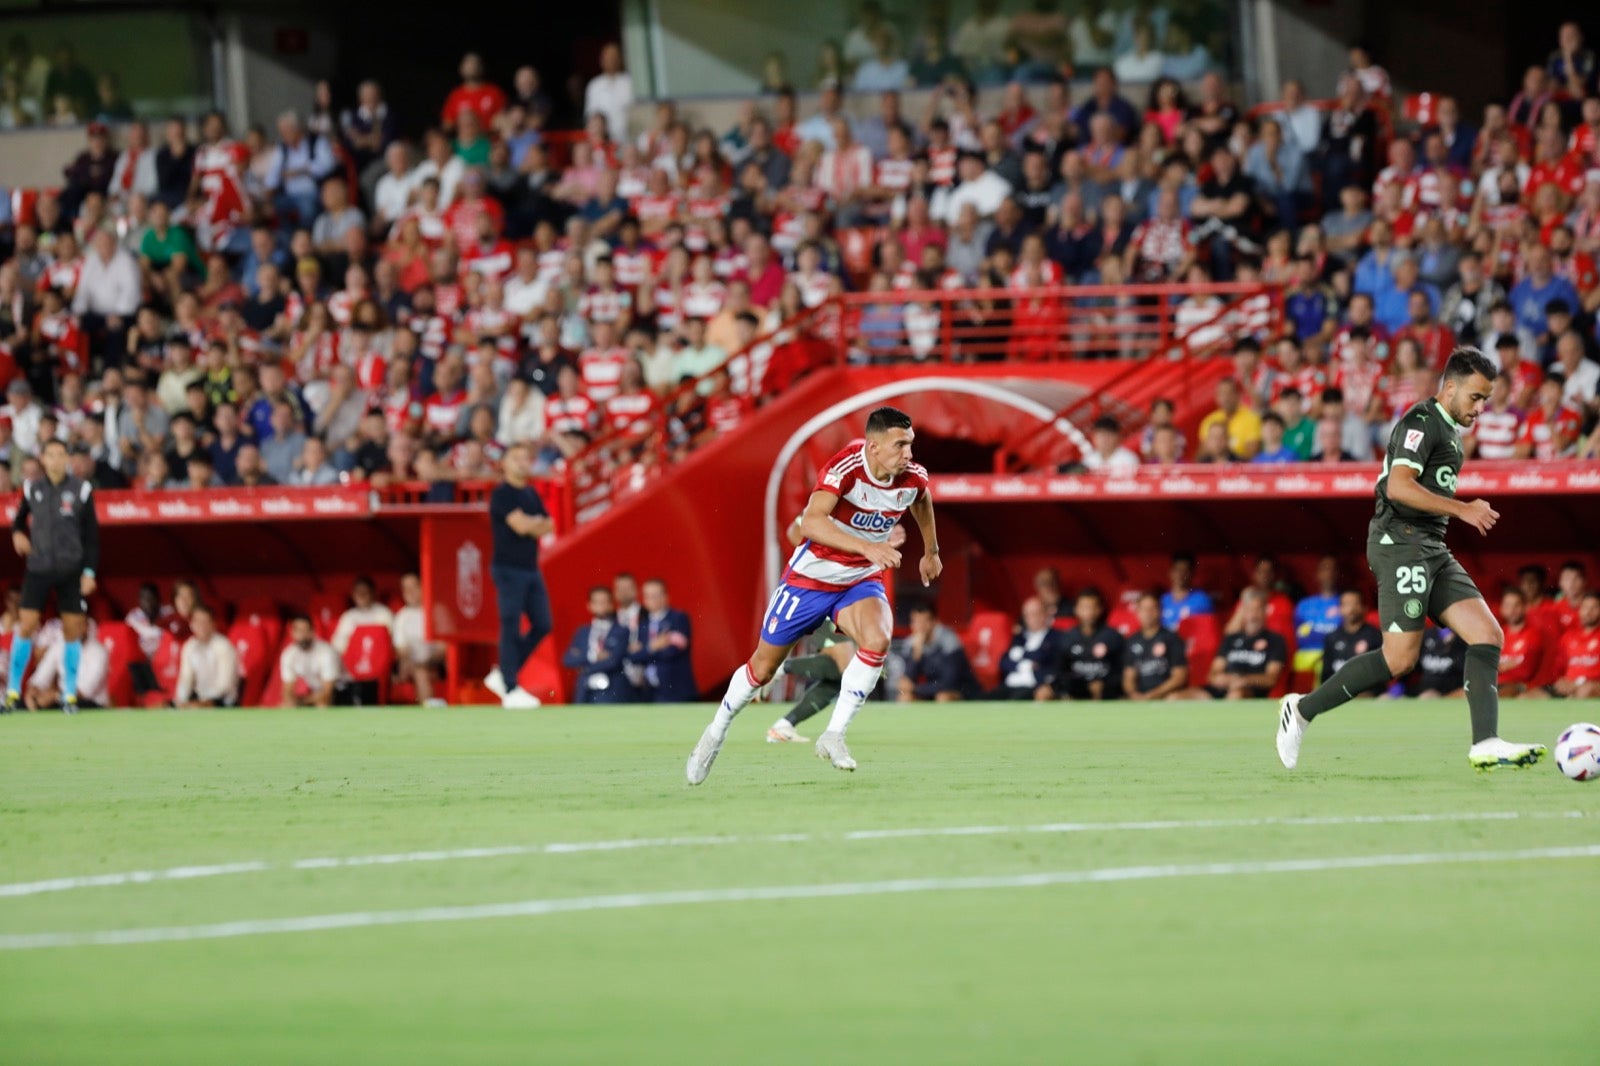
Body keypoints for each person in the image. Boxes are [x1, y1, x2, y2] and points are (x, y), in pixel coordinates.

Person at [1277, 348, 1546, 771]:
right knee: (1400, 659)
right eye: (1476, 397)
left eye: (1485, 399)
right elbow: (1399, 486)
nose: (1480, 408)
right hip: (1399, 543)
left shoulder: (1451, 431)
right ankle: (1301, 709)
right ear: (1450, 387)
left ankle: (1486, 743)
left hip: (1431, 547)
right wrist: (1463, 509)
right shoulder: (1421, 421)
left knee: (1487, 634)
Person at [687, 406, 940, 782]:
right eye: (900, 445)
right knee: (762, 669)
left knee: (877, 640)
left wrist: (931, 551)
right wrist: (867, 546)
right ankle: (715, 733)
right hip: (810, 579)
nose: (908, 453)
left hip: (858, 580)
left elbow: (921, 499)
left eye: (910, 444)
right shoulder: (846, 468)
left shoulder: (913, 477)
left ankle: (834, 735)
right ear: (873, 446)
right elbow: (810, 523)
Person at [6, 439, 98, 713]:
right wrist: (17, 534)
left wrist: (89, 572)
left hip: (71, 570)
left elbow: (92, 537)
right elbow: (18, 521)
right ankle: (12, 691)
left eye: (61, 454)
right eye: (51, 454)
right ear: (43, 459)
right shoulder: (32, 489)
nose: (56, 459)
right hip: (38, 568)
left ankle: (69, 695)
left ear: (67, 459)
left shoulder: (81, 490)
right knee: (26, 624)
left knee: (72, 629)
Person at [483, 442, 554, 708]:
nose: (523, 462)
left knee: (543, 623)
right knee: (510, 624)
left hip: (530, 568)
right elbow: (522, 526)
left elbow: (549, 525)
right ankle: (510, 687)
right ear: (504, 463)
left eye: (526, 458)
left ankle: (504, 673)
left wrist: (532, 523)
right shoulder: (502, 494)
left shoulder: (531, 493)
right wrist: (533, 523)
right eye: (517, 458)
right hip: (508, 568)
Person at [1177, 589, 1287, 700]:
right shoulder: (1231, 639)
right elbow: (1213, 674)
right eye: (1249, 610)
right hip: (1221, 688)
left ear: (1265, 611)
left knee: (1235, 695)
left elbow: (1271, 679)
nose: (1253, 615)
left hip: (1249, 691)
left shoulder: (1275, 640)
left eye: (1257, 610)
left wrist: (1244, 680)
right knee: (1176, 697)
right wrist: (1225, 679)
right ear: (1242, 612)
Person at [893, 601, 978, 702]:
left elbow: (949, 682)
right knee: (905, 698)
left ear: (934, 622)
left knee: (943, 697)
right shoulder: (912, 643)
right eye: (916, 622)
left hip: (960, 690)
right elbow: (906, 682)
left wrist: (916, 688)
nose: (920, 627)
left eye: (924, 622)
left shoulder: (949, 640)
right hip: (931, 691)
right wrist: (916, 654)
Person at [626, 579, 695, 702]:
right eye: (647, 596)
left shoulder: (678, 618)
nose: (650, 599)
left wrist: (644, 649)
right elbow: (633, 657)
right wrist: (652, 646)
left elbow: (671, 652)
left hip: (675, 691)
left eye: (655, 595)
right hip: (650, 693)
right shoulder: (642, 624)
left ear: (665, 596)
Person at [562, 586, 634, 704]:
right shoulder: (582, 631)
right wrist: (593, 656)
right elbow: (568, 659)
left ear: (611, 604)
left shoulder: (622, 631)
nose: (600, 605)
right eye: (597, 602)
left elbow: (614, 660)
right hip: (584, 690)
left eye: (604, 601)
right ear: (589, 605)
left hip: (611, 690)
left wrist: (585, 668)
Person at [989, 596, 1067, 700]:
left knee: (1014, 701)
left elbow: (1045, 657)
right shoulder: (1019, 638)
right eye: (1027, 615)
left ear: (1045, 614)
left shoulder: (1055, 636)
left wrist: (1021, 654)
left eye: (1034, 614)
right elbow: (1004, 662)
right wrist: (1025, 665)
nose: (1030, 618)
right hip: (1010, 684)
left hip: (1033, 685)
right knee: (982, 700)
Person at [1121, 591, 1189, 701]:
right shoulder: (1132, 641)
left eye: (1152, 608)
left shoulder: (1172, 638)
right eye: (1144, 609)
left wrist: (1153, 695)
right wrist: (1133, 694)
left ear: (1160, 611)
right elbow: (1128, 677)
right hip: (1140, 699)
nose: (1148, 613)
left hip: (1166, 697)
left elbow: (1179, 677)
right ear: (1137, 612)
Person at [26, 621, 109, 709]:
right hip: (61, 700)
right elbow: (40, 677)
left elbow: (84, 692)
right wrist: (32, 692)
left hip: (90, 704)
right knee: (22, 704)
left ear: (86, 628)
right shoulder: (59, 647)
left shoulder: (98, 652)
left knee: (69, 704)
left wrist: (54, 696)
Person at [1059, 588, 1124, 700]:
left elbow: (1121, 670)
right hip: (1076, 690)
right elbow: (1061, 671)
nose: (1089, 612)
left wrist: (1105, 684)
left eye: (1093, 607)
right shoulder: (1068, 637)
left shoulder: (1113, 636)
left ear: (1100, 609)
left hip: (1107, 691)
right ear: (1076, 609)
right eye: (1084, 607)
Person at [174, 604, 240, 707]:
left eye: (205, 622)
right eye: (198, 622)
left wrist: (204, 702)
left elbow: (225, 684)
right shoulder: (189, 646)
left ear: (213, 624)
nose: (202, 626)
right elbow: (186, 677)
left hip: (223, 702)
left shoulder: (224, 646)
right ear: (192, 625)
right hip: (199, 699)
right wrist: (180, 701)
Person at [278, 613, 343, 708]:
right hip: (315, 694)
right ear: (292, 633)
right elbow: (287, 689)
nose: (302, 635)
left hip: (342, 691)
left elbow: (327, 692)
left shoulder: (326, 652)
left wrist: (301, 702)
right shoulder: (289, 654)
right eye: (299, 631)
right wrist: (291, 701)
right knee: (285, 706)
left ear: (313, 631)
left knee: (322, 704)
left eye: (306, 630)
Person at [1319, 589, 1382, 688]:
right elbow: (1326, 675)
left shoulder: (1375, 636)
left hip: (1368, 693)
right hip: (1338, 692)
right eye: (1346, 604)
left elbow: (1381, 673)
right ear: (1339, 609)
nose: (1351, 609)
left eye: (1355, 604)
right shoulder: (1331, 638)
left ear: (1364, 608)